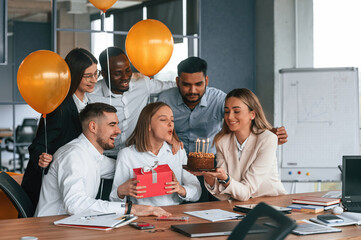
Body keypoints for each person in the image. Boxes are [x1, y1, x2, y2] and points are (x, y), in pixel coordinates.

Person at [158, 56, 288, 202]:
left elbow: (242, 117)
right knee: (177, 204)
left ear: (206, 81)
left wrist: (266, 133)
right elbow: (156, 128)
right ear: (177, 82)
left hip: (210, 162)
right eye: (187, 85)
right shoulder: (165, 100)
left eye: (198, 84)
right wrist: (170, 137)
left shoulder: (220, 100)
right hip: (177, 161)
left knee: (210, 204)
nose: (192, 90)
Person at [35, 103, 171, 217]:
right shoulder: (73, 155)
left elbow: (129, 167)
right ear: (93, 127)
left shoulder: (95, 156)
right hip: (51, 229)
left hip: (72, 225)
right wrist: (130, 209)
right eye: (112, 125)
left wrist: (165, 143)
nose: (118, 131)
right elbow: (74, 205)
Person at [22, 48, 99, 207]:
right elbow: (38, 145)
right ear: (75, 75)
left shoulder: (87, 103)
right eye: (88, 76)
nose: (94, 79)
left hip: (70, 177)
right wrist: (41, 157)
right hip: (47, 185)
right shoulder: (60, 107)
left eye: (96, 73)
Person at [198, 88, 287, 201]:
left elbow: (246, 192)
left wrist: (225, 179)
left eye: (236, 111)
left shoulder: (267, 139)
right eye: (227, 111)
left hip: (271, 204)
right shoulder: (222, 141)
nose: (229, 117)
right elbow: (223, 194)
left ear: (252, 114)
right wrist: (209, 177)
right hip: (239, 206)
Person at [88, 47, 177, 158]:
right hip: (102, 157)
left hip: (135, 155)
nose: (125, 77)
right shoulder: (91, 94)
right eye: (118, 73)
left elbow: (172, 86)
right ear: (104, 74)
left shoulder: (142, 83)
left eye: (127, 70)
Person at [109, 102, 201, 206]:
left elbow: (197, 192)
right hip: (141, 215)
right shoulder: (127, 155)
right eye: (163, 120)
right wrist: (120, 192)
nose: (170, 124)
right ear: (148, 125)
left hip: (175, 213)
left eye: (172, 120)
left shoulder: (178, 151)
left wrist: (181, 189)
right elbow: (114, 201)